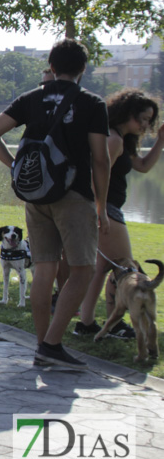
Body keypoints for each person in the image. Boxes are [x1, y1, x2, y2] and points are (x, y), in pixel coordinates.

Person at [0, 38, 110, 371]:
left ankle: (42, 346)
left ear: (51, 67)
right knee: (83, 269)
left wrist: (14, 166)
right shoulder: (92, 103)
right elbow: (100, 158)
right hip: (74, 196)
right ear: (83, 68)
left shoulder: (31, 99)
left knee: (44, 268)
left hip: (36, 195)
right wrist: (101, 204)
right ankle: (52, 345)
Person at [74, 89, 163, 340]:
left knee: (101, 268)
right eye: (142, 118)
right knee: (125, 266)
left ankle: (87, 322)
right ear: (127, 113)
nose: (145, 124)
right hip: (106, 209)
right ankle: (113, 323)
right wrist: (99, 212)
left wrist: (160, 141)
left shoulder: (122, 139)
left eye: (149, 120)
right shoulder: (112, 139)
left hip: (107, 209)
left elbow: (144, 167)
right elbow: (95, 176)